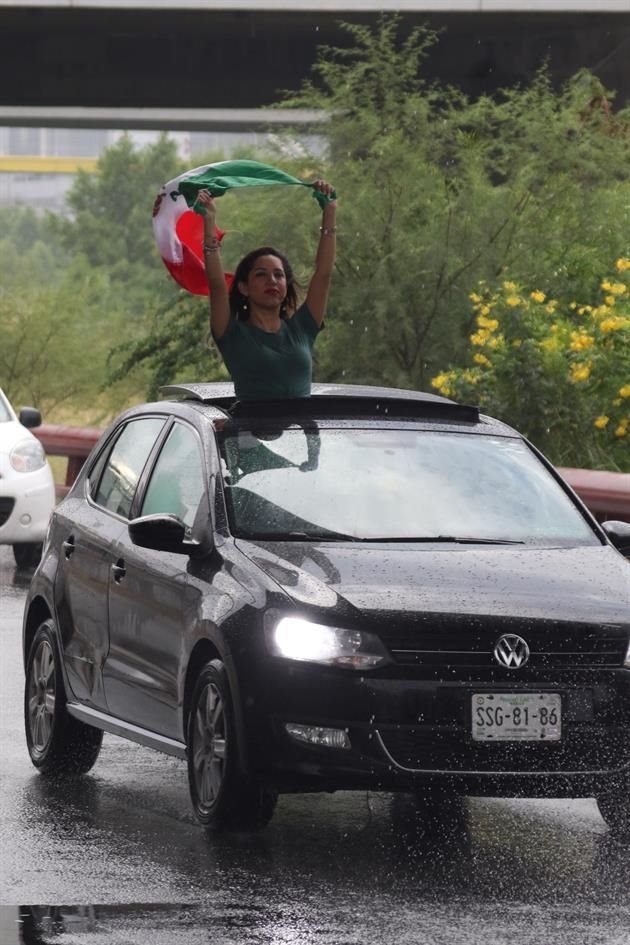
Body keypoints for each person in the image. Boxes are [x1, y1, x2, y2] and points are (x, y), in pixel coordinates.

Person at [196, 180, 336, 401]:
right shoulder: (232, 334)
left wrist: (329, 212)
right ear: (243, 287)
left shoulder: (302, 328)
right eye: (261, 274)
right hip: (248, 435)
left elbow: (323, 275)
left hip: (301, 436)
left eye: (278, 275)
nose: (272, 281)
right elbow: (216, 285)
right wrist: (210, 220)